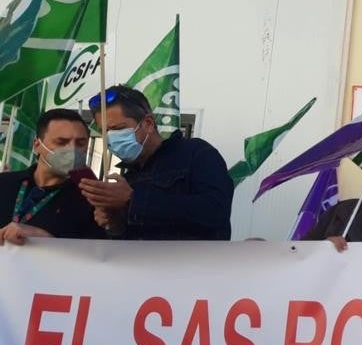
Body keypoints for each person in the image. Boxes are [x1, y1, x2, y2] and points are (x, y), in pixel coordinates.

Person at [82, 85, 232, 240]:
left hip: (194, 262)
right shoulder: (128, 178)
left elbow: (215, 211)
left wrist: (133, 199)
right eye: (105, 132)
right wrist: (115, 224)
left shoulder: (196, 154)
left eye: (118, 128)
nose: (110, 138)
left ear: (148, 123)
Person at [0, 109, 104, 245]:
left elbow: (98, 255)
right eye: (61, 142)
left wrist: (48, 241)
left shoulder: (92, 198)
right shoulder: (4, 183)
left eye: (80, 143)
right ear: (37, 145)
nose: (72, 149)